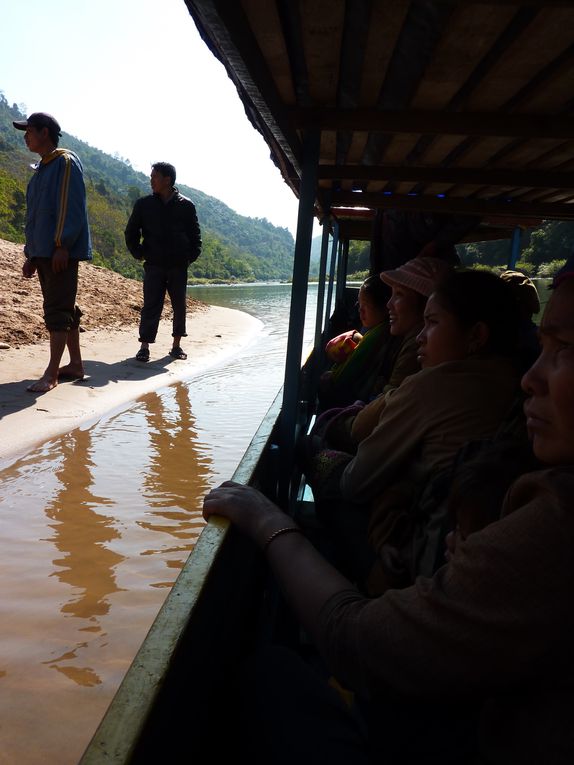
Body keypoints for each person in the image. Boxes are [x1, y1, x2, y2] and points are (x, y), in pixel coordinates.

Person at [203, 267, 574, 763]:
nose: (533, 379)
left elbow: (358, 638)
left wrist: (272, 521)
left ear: (476, 335)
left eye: (564, 349)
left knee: (266, 674)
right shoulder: (502, 385)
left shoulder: (555, 523)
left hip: (439, 672)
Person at [13, 112, 92, 393]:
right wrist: (31, 255)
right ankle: (76, 365)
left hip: (60, 251)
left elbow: (70, 207)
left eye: (29, 131)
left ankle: (51, 374)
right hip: (44, 252)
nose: (26, 136)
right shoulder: (41, 170)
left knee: (57, 309)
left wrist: (63, 245)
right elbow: (34, 217)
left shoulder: (65, 162)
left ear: (44, 132)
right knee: (64, 306)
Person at [124, 162, 201, 362]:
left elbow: (195, 236)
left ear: (167, 180)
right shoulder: (144, 204)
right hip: (154, 263)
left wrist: (189, 257)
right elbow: (131, 231)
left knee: (179, 306)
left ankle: (176, 346)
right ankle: (144, 347)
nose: (151, 181)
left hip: (178, 265)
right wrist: (138, 252)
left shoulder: (186, 205)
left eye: (154, 177)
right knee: (151, 305)